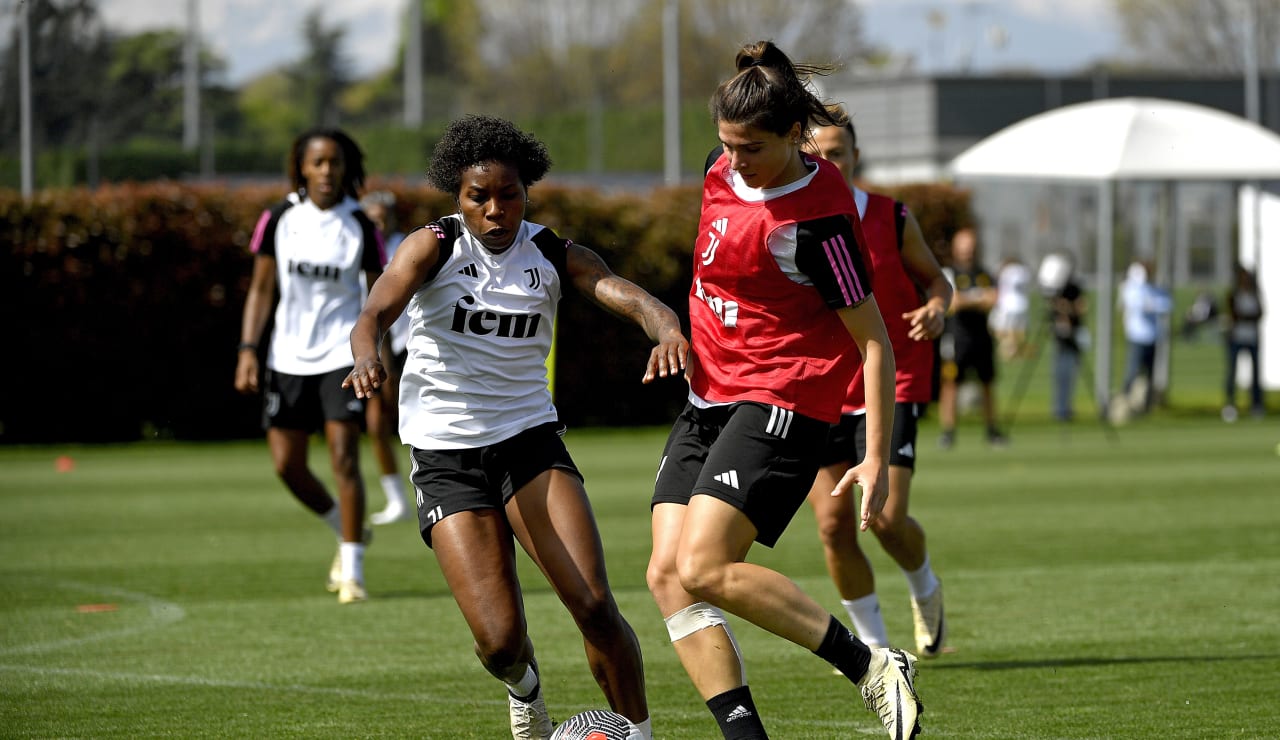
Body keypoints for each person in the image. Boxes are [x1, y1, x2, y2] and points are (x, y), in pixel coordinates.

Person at [345, 114, 686, 740]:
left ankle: (638, 735)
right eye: (480, 196)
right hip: (447, 459)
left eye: (510, 194)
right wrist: (367, 352)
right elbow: (375, 309)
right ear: (459, 196)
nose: (496, 209)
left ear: (527, 193)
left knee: (593, 605)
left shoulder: (552, 253)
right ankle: (526, 690)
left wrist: (666, 328)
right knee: (500, 642)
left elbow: (623, 292)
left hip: (530, 446)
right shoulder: (434, 246)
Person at [645, 41, 922, 740]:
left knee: (705, 564)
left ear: (797, 137)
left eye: (752, 149)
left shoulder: (817, 223)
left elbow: (874, 343)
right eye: (727, 146)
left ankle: (871, 665)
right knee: (667, 575)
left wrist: (876, 460)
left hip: (783, 401)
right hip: (709, 396)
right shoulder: (721, 168)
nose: (736, 161)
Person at [802, 117, 953, 661]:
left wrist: (937, 307)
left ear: (857, 155)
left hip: (892, 380)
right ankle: (875, 654)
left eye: (839, 152)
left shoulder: (891, 217)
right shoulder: (789, 221)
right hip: (821, 389)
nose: (830, 164)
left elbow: (937, 280)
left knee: (885, 517)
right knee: (833, 526)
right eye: (818, 155)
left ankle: (924, 584)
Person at [234, 127, 382, 605]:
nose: (325, 171)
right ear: (301, 166)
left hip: (342, 358)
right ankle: (346, 526)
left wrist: (376, 353)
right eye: (316, 162)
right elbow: (260, 290)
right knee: (287, 466)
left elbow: (381, 294)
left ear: (345, 169)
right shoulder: (279, 218)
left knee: (344, 458)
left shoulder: (360, 224)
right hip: (286, 357)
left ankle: (353, 571)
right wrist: (247, 349)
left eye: (334, 162)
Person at [357, 190, 412, 524]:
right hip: (375, 348)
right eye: (372, 218)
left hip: (409, 344)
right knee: (376, 423)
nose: (378, 223)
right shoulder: (359, 249)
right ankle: (396, 499)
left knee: (416, 425)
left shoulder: (406, 248)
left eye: (383, 216)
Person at [937, 227, 1007, 448]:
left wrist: (970, 299)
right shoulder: (949, 272)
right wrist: (977, 298)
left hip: (982, 337)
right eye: (963, 247)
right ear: (956, 249)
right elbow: (954, 302)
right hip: (957, 338)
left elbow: (994, 299)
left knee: (987, 382)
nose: (967, 252)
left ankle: (992, 430)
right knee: (950, 384)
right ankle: (948, 432)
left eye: (970, 247)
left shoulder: (984, 273)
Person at [1118, 259, 1172, 413]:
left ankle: (1146, 407)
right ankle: (1125, 404)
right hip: (1137, 336)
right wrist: (1151, 304)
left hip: (1153, 336)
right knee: (1133, 371)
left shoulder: (1154, 288)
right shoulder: (1131, 288)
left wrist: (1152, 304)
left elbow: (1166, 303)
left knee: (1150, 374)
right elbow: (1138, 304)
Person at [1042, 253, 1088, 423]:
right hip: (1060, 337)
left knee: (1070, 370)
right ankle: (1059, 408)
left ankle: (1065, 407)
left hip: (1074, 335)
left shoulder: (1075, 287)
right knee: (1060, 371)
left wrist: (1066, 308)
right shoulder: (1055, 289)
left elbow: (1081, 307)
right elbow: (1053, 306)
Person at [1223, 263, 1265, 421]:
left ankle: (1257, 405)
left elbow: (1260, 313)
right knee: (1232, 372)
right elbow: (1234, 314)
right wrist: (1247, 317)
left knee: (1255, 374)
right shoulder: (1234, 294)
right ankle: (1230, 405)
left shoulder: (1255, 294)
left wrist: (1246, 317)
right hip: (1237, 338)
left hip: (1252, 338)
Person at [991, 257, 1032, 361]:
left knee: (1003, 331)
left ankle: (1009, 351)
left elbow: (997, 281)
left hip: (1007, 304)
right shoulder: (1023, 271)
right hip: (1021, 304)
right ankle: (1014, 350)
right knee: (1017, 332)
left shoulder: (1005, 270)